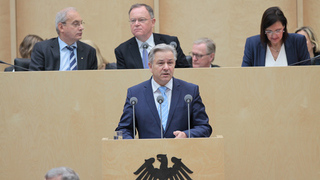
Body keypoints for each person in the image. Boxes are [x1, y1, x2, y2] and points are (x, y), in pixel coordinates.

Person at [115, 44, 212, 139]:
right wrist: (131, 146)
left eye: (170, 63)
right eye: (160, 63)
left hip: (181, 152)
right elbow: (124, 129)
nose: (166, 68)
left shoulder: (189, 91)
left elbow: (204, 127)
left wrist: (186, 134)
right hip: (147, 153)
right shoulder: (135, 94)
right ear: (150, 66)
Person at [115, 3, 190, 69]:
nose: (136, 24)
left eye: (141, 20)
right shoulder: (122, 50)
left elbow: (184, 70)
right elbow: (123, 78)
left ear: (153, 22)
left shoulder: (170, 43)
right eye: (133, 20)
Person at [29, 7, 97, 71]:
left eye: (81, 23)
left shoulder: (89, 52)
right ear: (61, 27)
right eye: (76, 24)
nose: (81, 27)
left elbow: (93, 80)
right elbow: (35, 79)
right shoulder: (42, 49)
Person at [242, 6, 310, 66]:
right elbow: (245, 75)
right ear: (264, 30)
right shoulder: (252, 44)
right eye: (269, 31)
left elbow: (307, 72)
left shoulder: (298, 42)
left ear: (284, 27)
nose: (274, 36)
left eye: (278, 30)